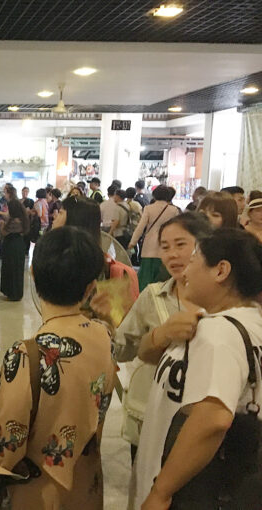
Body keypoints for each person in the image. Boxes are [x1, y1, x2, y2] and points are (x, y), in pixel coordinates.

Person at [133, 228, 262, 510]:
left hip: (190, 490)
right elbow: (146, 355)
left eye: (194, 260)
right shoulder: (236, 322)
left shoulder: (219, 333)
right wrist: (164, 333)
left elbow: (213, 418)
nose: (185, 270)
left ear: (221, 271)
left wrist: (161, 492)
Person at [0, 226, 115, 509]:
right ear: (90, 287)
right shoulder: (104, 334)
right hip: (86, 484)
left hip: (38, 493)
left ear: (32, 274)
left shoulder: (27, 355)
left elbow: (7, 446)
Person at [113, 213, 212, 464]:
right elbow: (121, 350)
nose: (171, 254)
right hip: (151, 418)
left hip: (204, 422)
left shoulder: (224, 301)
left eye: (181, 245)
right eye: (165, 247)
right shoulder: (154, 295)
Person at [128, 185, 181, 291]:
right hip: (167, 245)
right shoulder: (174, 210)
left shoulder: (148, 208)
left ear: (155, 195)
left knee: (146, 276)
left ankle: (144, 298)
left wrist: (133, 242)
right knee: (163, 276)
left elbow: (140, 227)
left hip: (149, 246)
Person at [0, 199, 29, 301]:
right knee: (17, 270)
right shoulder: (23, 219)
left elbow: (4, 233)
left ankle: (11, 292)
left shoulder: (13, 221)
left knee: (10, 269)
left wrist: (2, 224)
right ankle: (17, 292)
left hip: (11, 245)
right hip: (19, 244)